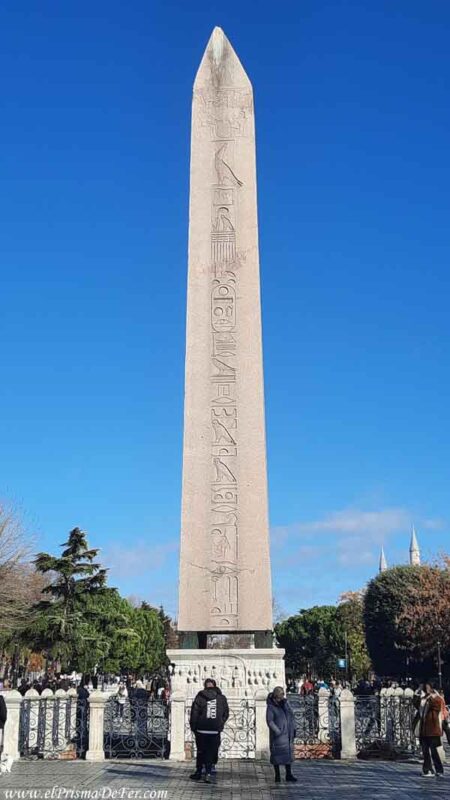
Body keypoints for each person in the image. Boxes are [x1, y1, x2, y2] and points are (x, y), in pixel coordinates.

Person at [189, 678, 229, 783]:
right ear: (215, 686)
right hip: (214, 730)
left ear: (205, 686)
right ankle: (208, 773)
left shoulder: (200, 697)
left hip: (201, 729)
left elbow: (194, 713)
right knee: (211, 752)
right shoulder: (221, 698)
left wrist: (194, 727)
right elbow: (226, 713)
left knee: (201, 751)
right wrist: (220, 724)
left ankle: (198, 772)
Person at [266, 686, 297, 783]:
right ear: (276, 696)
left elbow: (291, 715)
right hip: (278, 736)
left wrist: (293, 728)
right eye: (280, 695)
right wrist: (277, 731)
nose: (282, 697)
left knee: (288, 754)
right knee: (277, 755)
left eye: (282, 695)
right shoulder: (271, 707)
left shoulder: (286, 704)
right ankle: (277, 775)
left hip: (288, 733)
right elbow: (270, 721)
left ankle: (288, 774)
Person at [414, 681, 445, 777]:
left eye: (428, 687)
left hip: (432, 729)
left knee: (434, 751)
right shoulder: (425, 698)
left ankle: (439, 769)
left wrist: (431, 696)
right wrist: (417, 693)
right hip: (423, 728)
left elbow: (436, 706)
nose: (426, 689)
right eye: (425, 687)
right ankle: (427, 770)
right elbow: (416, 704)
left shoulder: (437, 698)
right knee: (425, 751)